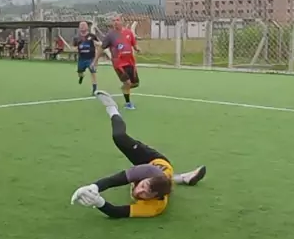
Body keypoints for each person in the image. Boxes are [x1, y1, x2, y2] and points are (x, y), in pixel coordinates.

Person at [71, 91, 206, 219]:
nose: (139, 191)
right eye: (143, 185)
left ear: (155, 196)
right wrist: (93, 187)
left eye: (146, 193)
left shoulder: (155, 207)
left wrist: (98, 201)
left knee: (166, 178)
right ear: (146, 178)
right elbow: (115, 180)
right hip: (154, 160)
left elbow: (117, 212)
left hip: (160, 174)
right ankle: (112, 108)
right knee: (119, 137)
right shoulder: (147, 171)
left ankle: (183, 178)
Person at [96, 15, 139, 109]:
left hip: (130, 62)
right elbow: (101, 48)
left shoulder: (129, 33)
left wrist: (137, 49)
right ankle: (128, 103)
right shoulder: (110, 35)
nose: (115, 22)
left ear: (122, 21)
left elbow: (133, 44)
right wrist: (95, 60)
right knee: (127, 83)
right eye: (113, 20)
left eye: (117, 20)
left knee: (135, 84)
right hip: (118, 64)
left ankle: (124, 88)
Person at [73, 21, 99, 94]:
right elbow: (74, 47)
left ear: (87, 27)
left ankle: (94, 89)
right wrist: (76, 48)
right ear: (79, 28)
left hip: (91, 58)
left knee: (93, 72)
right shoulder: (76, 38)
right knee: (80, 73)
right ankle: (81, 77)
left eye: (84, 25)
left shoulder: (92, 36)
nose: (82, 27)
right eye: (81, 25)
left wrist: (98, 44)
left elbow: (98, 43)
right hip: (81, 59)